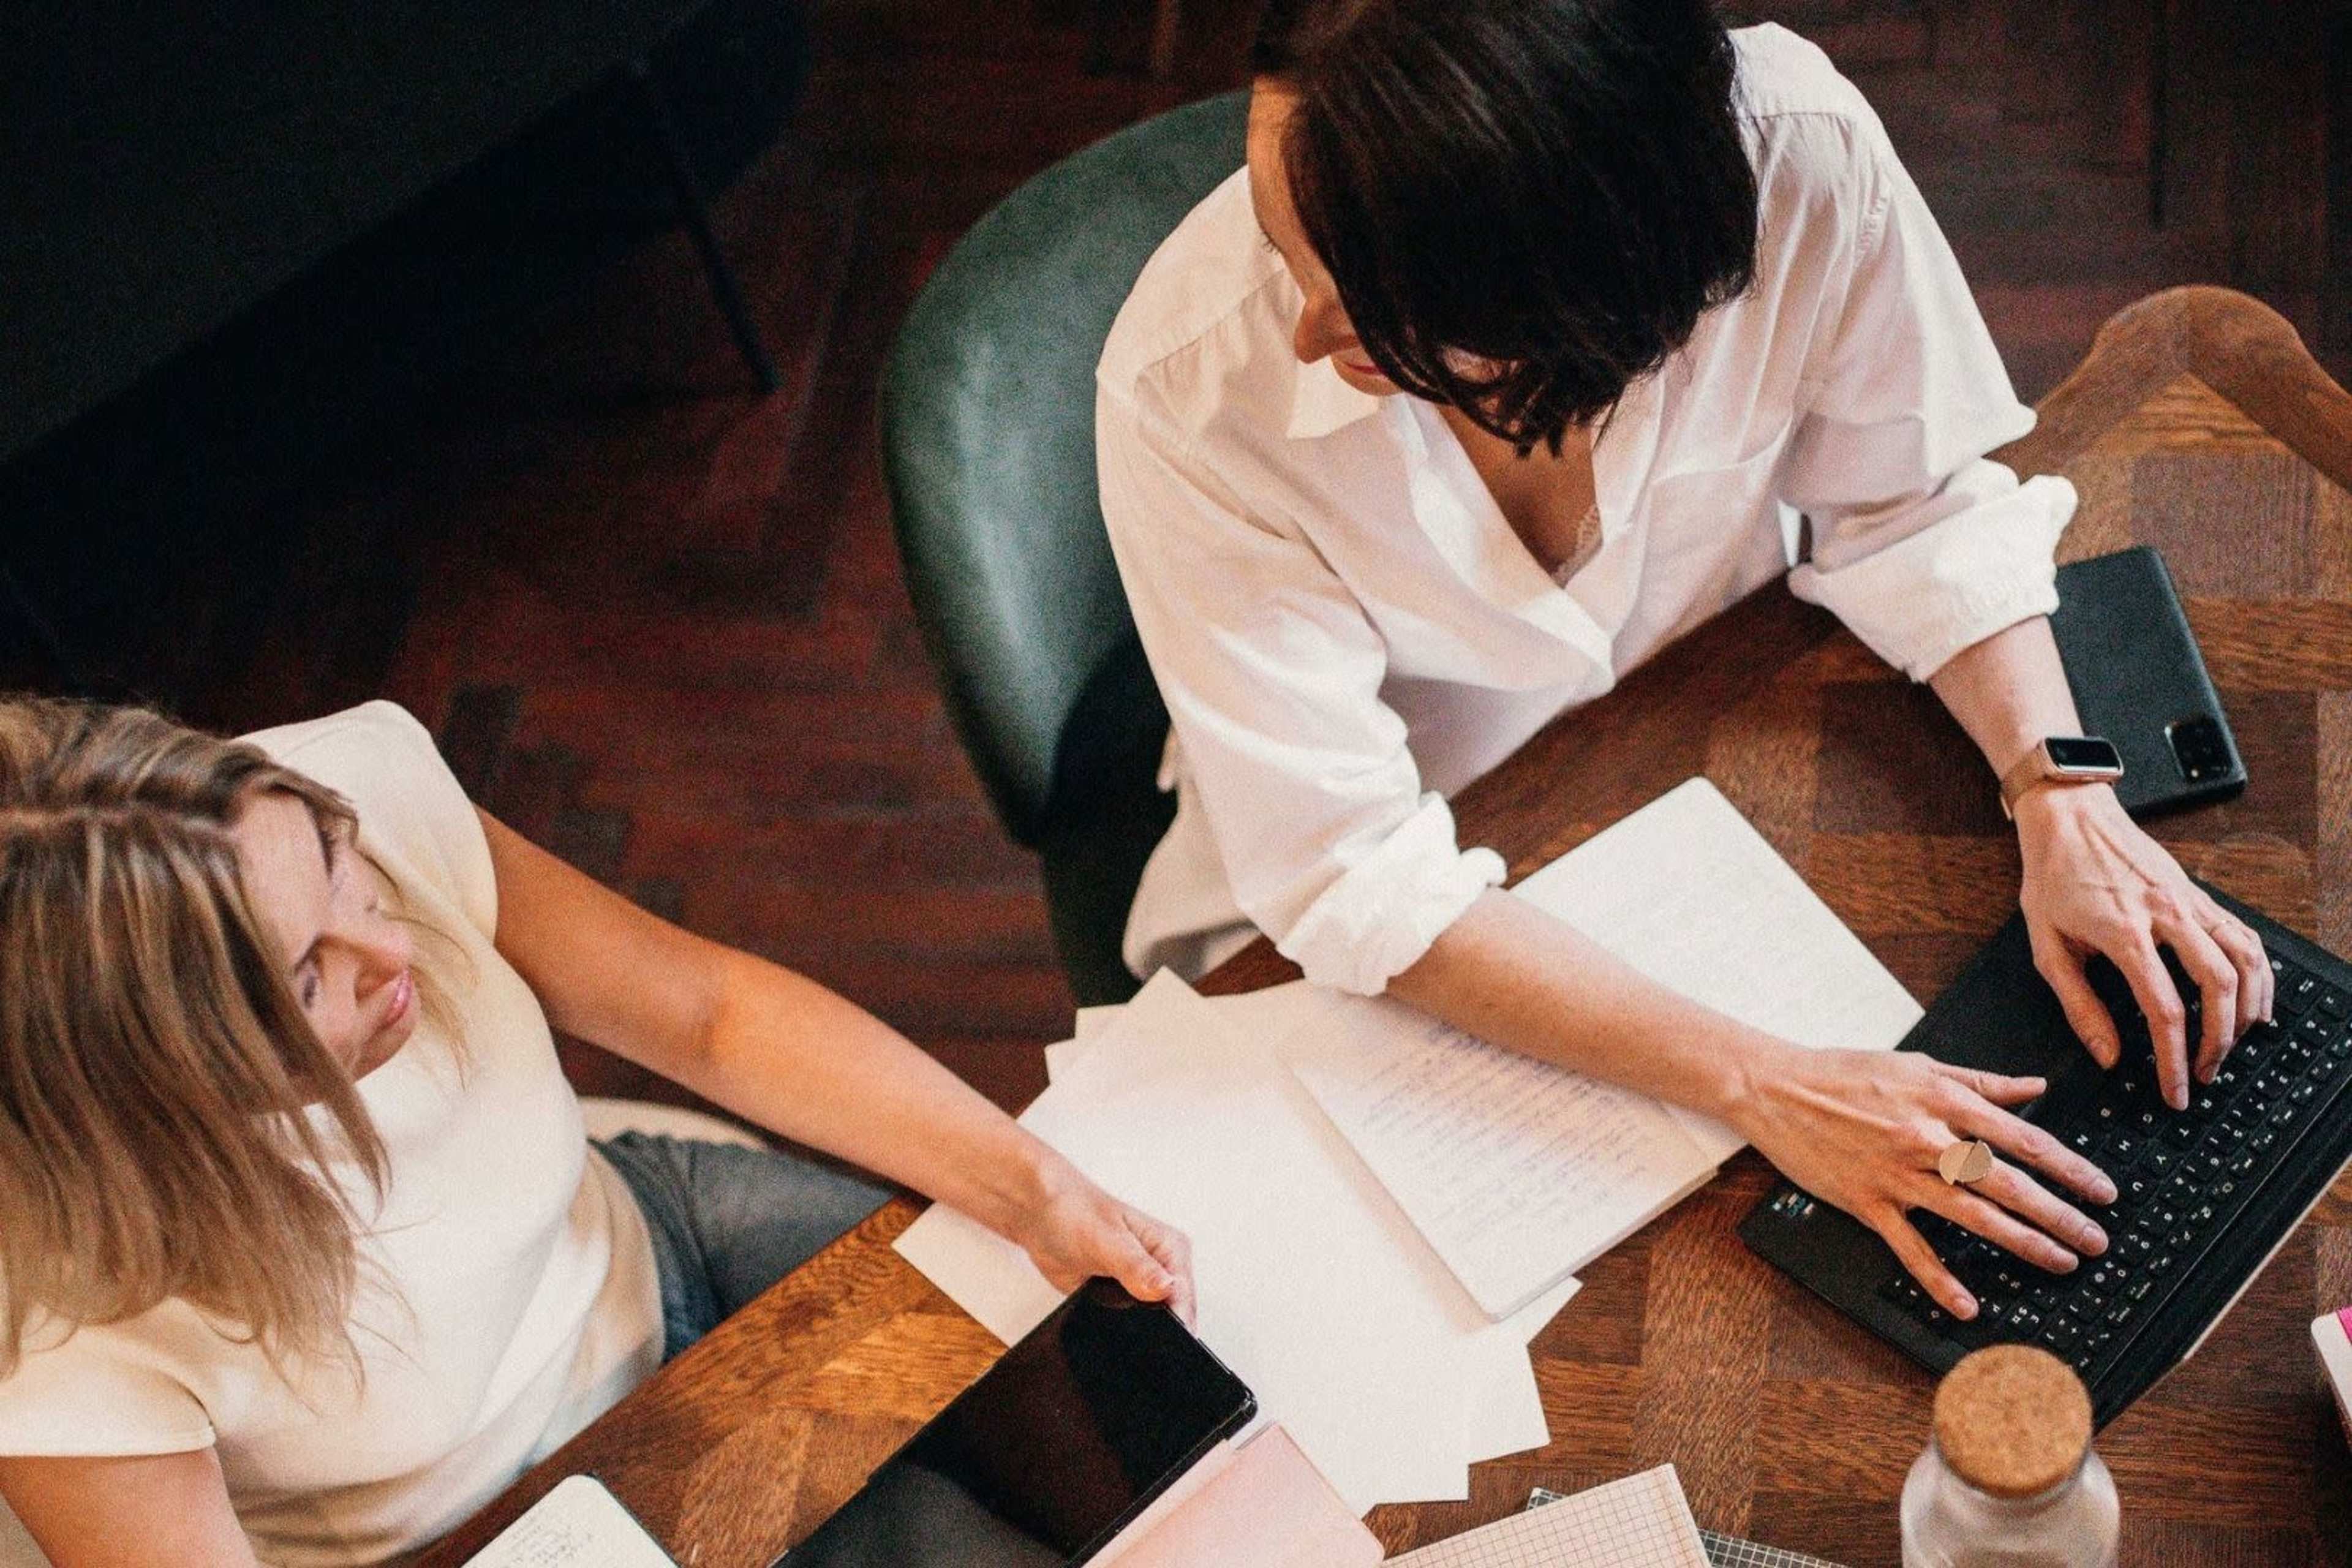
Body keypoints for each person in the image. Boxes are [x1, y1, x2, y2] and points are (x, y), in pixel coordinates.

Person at [1095, 0, 2273, 1321]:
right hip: (1434, 864)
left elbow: (1908, 500)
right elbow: (1350, 868)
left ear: (1595, 284)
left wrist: (2064, 792)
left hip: (1739, 720)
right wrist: (1766, 1081)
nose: (1307, 330)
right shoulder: (1187, 389)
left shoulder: (1803, 158)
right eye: (1281, 244)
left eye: (1378, 300)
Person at [0, 698, 1193, 1567]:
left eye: (337, 861)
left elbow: (707, 1015)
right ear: (157, 1088)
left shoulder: (341, 777)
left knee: (1035, 1310)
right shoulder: (49, 1326)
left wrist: (1031, 1185)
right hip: (489, 1523)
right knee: (942, 1540)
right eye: (310, 978)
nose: (394, 947)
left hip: (643, 1235)